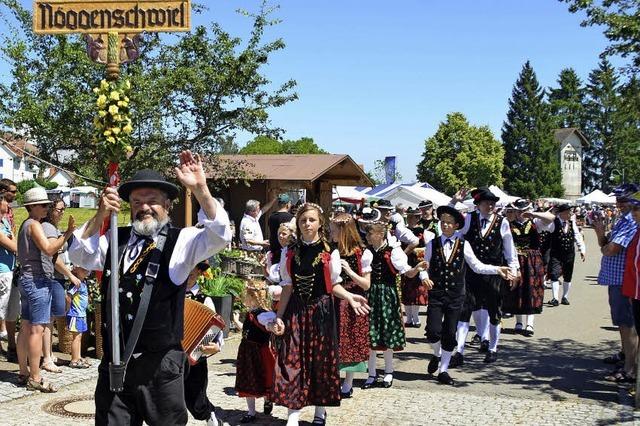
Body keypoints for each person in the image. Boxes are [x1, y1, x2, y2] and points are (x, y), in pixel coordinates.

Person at [68, 151, 232, 426]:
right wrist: (99, 215)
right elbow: (79, 254)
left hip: (160, 369)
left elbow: (219, 234)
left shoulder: (182, 241)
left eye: (152, 201)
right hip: (115, 366)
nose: (144, 208)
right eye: (137, 202)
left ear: (167, 205)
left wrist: (200, 189)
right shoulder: (114, 239)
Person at [270, 202, 369, 426]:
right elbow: (287, 286)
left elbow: (332, 285)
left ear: (319, 223)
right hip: (296, 311)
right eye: (303, 220)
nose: (307, 224)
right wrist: (279, 315)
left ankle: (319, 412)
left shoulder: (329, 252)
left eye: (311, 220)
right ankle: (293, 415)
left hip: (321, 312)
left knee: (321, 361)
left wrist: (350, 297)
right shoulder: (290, 251)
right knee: (291, 360)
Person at [422, 206, 512, 385]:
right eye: (442, 222)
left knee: (449, 333)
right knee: (433, 332)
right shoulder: (432, 243)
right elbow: (424, 267)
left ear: (456, 226)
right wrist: (424, 277)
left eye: (449, 223)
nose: (445, 225)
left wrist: (497, 269)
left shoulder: (464, 245)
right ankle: (437, 354)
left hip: (456, 296)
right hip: (437, 294)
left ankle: (444, 370)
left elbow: (477, 266)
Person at [450, 187, 519, 364]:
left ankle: (492, 348)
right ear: (478, 205)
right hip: (471, 272)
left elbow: (509, 249)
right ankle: (459, 350)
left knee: (494, 311)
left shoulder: (502, 222)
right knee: (465, 311)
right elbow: (453, 230)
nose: (490, 206)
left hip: (494, 272)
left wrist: (513, 271)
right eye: (486, 203)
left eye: (492, 203)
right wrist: (454, 202)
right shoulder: (470, 219)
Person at [17, 187, 75, 392]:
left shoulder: (26, 224)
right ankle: (35, 377)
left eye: (48, 205)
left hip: (27, 279)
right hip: (37, 281)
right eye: (43, 205)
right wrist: (67, 233)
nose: (47, 208)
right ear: (31, 207)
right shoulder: (34, 225)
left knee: (25, 327)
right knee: (37, 329)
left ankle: (24, 372)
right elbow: (49, 250)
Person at [361, 221, 426, 390]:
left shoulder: (393, 252)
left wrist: (418, 268)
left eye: (370, 233)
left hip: (387, 296)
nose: (367, 236)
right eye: (367, 233)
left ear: (380, 235)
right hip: (371, 295)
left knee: (387, 333)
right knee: (371, 334)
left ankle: (389, 371)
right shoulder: (367, 252)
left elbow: (408, 273)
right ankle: (371, 373)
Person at [594, 184, 638, 383]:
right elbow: (606, 245)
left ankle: (631, 367)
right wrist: (601, 234)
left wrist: (601, 236)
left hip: (624, 279)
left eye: (623, 200)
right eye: (617, 200)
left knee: (627, 325)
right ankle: (625, 357)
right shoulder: (624, 219)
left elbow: (611, 249)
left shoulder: (631, 222)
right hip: (617, 278)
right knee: (622, 324)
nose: (618, 203)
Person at [329, 213, 372, 399]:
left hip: (354, 299)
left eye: (333, 230)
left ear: (343, 231)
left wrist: (350, 271)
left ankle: (348, 382)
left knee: (351, 339)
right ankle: (333, 379)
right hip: (334, 299)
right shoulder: (330, 250)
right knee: (335, 338)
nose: (331, 234)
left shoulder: (362, 253)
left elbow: (366, 284)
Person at [41, 197, 82, 374]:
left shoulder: (53, 228)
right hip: (53, 277)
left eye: (64, 209)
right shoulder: (48, 227)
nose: (62, 212)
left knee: (52, 317)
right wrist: (71, 275)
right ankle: (47, 358)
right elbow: (54, 256)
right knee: (49, 319)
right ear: (50, 209)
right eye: (59, 209)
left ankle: (48, 354)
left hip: (57, 277)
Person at [184, 262, 223, 426]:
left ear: (199, 272)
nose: (187, 274)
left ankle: (212, 418)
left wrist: (216, 345)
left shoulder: (204, 299)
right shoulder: (169, 295)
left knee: (196, 400)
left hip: (195, 357)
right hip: (171, 354)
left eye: (191, 270)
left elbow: (215, 327)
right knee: (170, 397)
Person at [232, 282, 276, 424]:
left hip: (258, 352)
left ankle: (267, 399)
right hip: (246, 351)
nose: (244, 298)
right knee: (247, 381)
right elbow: (246, 331)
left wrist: (272, 326)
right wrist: (236, 321)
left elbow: (269, 326)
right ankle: (251, 412)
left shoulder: (263, 314)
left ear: (253, 297)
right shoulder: (252, 313)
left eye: (247, 296)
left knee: (263, 378)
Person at [501, 199, 546, 337]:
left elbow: (551, 219)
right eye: (518, 211)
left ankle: (530, 323)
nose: (520, 213)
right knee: (516, 290)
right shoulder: (507, 224)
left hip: (532, 260)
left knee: (532, 290)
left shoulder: (535, 223)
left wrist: (534, 214)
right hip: (515, 259)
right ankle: (519, 322)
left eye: (523, 210)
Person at [546, 204, 586, 306]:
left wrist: (582, 249)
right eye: (569, 212)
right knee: (554, 274)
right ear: (562, 213)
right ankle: (555, 298)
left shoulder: (572, 223)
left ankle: (565, 297)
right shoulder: (553, 222)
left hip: (569, 253)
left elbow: (577, 236)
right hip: (556, 253)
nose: (570, 214)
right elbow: (545, 230)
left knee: (568, 275)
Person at [401, 207, 434, 327]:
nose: (410, 219)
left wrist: (418, 250)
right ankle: (409, 318)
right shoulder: (402, 231)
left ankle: (416, 318)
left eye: (413, 217)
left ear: (417, 218)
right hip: (405, 263)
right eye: (408, 216)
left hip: (417, 263)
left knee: (416, 292)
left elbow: (428, 248)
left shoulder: (423, 232)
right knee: (406, 291)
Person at [0, 191, 18, 361]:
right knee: (0, 310)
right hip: (2, 271)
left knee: (11, 310)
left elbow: (13, 239)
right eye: (6, 202)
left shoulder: (4, 221)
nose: (8, 205)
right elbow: (13, 245)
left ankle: (12, 345)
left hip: (10, 269)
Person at [66, 265, 91, 368]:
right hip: (75, 314)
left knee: (79, 336)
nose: (86, 270)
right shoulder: (76, 283)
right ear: (76, 270)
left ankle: (78, 356)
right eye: (83, 268)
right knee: (76, 337)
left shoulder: (83, 283)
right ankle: (74, 360)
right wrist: (67, 309)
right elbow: (68, 296)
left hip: (81, 314)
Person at [267, 193, 294, 264]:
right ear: (287, 204)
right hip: (285, 251)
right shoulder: (291, 218)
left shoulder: (271, 217)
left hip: (274, 250)